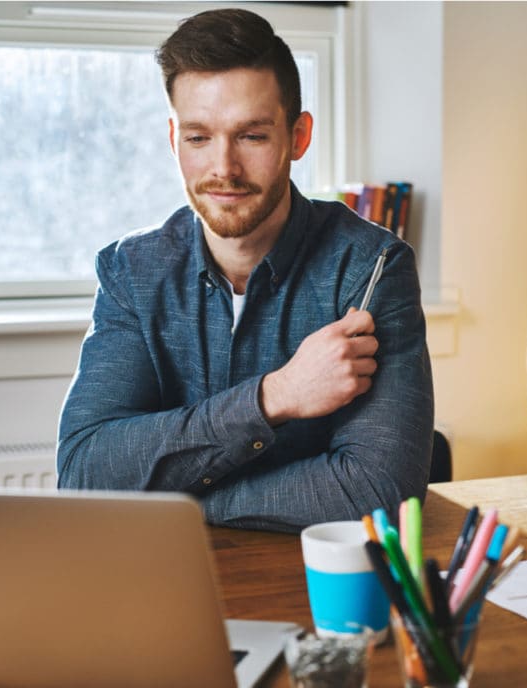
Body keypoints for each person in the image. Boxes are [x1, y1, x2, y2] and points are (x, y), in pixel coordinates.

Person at [57, 8, 433, 533]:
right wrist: (274, 396)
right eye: (198, 138)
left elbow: (376, 491)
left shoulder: (370, 267)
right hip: (166, 579)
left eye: (252, 136)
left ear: (297, 137)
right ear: (174, 140)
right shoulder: (130, 271)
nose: (223, 168)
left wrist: (181, 503)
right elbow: (84, 473)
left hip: (311, 584)